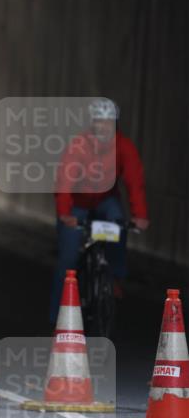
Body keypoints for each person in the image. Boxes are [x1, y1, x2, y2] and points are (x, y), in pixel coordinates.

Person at [50, 98, 149, 324]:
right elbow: (64, 181)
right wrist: (66, 214)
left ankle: (113, 276)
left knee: (119, 224)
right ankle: (58, 318)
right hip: (76, 203)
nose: (104, 127)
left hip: (105, 201)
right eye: (99, 122)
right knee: (68, 260)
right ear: (92, 124)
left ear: (116, 124)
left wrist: (140, 215)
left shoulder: (124, 147)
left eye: (109, 122)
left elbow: (135, 182)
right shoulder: (78, 146)